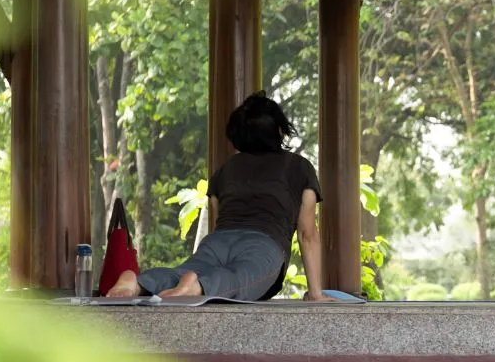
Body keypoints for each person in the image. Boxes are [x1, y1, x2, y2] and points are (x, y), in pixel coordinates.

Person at [106, 92, 335, 302]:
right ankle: (196, 289)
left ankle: (137, 282)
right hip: (264, 244)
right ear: (279, 131)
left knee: (182, 272)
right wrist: (315, 293)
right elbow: (307, 235)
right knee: (239, 279)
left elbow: (218, 220)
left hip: (219, 241)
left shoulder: (227, 169)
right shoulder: (299, 167)